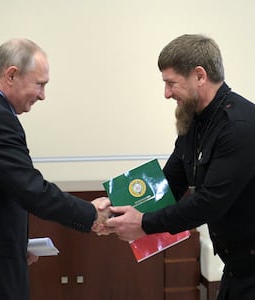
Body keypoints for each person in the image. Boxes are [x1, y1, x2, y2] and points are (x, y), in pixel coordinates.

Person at [0, 38, 110, 300]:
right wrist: (90, 213)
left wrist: (16, 243)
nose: (42, 95)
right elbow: (32, 190)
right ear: (12, 75)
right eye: (39, 84)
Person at [103, 34, 255, 299]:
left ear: (199, 75)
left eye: (171, 83)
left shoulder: (239, 126)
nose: (166, 93)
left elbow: (209, 203)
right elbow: (167, 185)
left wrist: (144, 223)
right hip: (236, 269)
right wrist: (114, 209)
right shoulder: (194, 122)